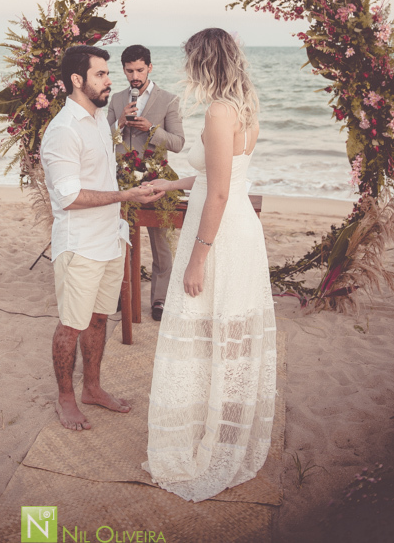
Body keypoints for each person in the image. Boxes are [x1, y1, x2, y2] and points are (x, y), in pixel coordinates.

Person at [143, 28, 276, 501]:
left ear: (204, 62)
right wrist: (169, 185)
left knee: (207, 326)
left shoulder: (221, 112)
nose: (186, 70)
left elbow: (219, 191)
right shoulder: (243, 105)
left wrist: (197, 258)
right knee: (219, 333)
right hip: (232, 227)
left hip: (220, 236)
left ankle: (215, 441)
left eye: (190, 62)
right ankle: (217, 427)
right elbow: (216, 176)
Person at [40, 44, 165, 432]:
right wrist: (125, 197)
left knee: (99, 319)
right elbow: (70, 197)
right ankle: (66, 398)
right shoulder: (63, 131)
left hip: (110, 239)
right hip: (79, 245)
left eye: (109, 73)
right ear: (77, 80)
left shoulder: (97, 121)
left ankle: (93, 388)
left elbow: (102, 179)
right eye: (101, 74)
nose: (111, 80)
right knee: (71, 325)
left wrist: (134, 191)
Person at [107, 44, 185, 320]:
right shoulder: (116, 99)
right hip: (122, 183)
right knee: (120, 241)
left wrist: (151, 130)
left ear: (150, 67)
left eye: (140, 70)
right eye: (129, 71)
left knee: (161, 245)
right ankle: (122, 295)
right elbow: (101, 141)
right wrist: (119, 126)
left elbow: (178, 143)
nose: (134, 76)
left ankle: (160, 300)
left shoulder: (169, 100)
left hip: (156, 181)